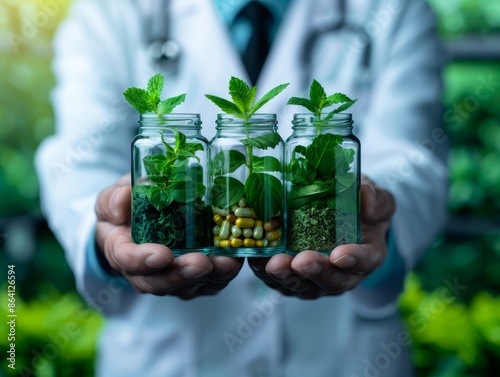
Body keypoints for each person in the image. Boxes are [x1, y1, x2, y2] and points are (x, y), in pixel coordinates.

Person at [35, 0, 448, 376]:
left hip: (343, 356)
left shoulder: (393, 8)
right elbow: (77, 162)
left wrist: (377, 215)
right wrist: (106, 235)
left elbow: (413, 158)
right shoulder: (111, 10)